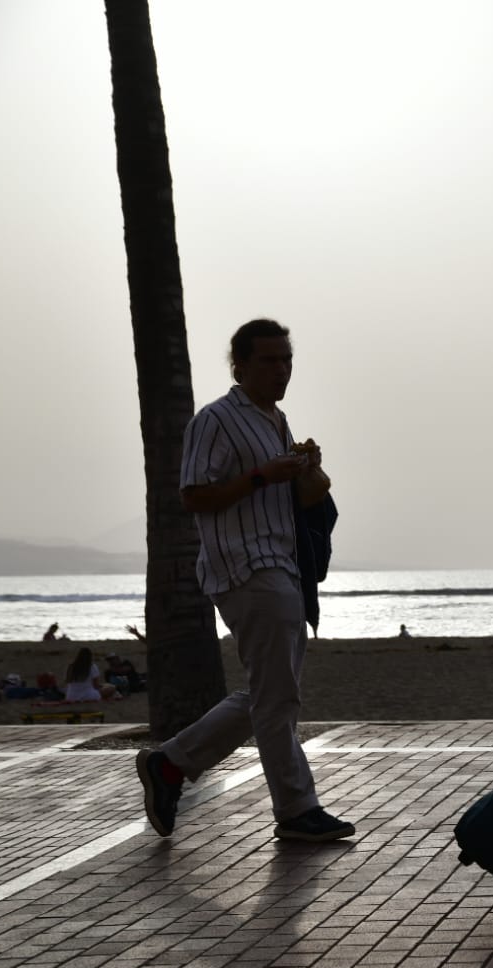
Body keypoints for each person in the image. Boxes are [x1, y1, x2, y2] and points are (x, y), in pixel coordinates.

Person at [135, 318, 354, 844]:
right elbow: (193, 494)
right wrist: (261, 475)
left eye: (287, 359)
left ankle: (170, 765)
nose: (281, 370)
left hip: (282, 565)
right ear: (240, 364)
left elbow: (292, 500)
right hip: (244, 567)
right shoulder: (215, 420)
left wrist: (305, 472)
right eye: (269, 360)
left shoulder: (275, 421)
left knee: (270, 692)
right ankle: (297, 808)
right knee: (278, 697)